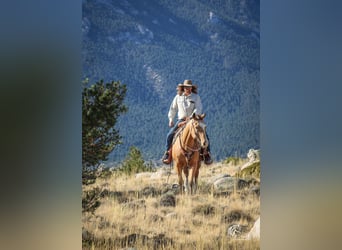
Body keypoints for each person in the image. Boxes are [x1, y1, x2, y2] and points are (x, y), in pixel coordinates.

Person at [162, 79, 213, 165]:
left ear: (191, 88)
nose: (187, 88)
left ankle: (206, 154)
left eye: (189, 87)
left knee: (204, 136)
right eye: (186, 87)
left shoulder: (196, 97)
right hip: (181, 120)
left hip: (193, 120)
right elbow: (173, 109)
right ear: (183, 87)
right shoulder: (178, 97)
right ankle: (168, 154)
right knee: (169, 135)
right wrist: (171, 119)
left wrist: (192, 116)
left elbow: (198, 108)